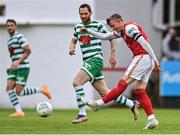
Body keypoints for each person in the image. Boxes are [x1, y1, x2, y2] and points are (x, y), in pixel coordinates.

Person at [81, 13, 161, 129]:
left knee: (122, 83)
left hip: (142, 57)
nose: (113, 28)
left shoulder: (129, 28)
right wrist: (89, 31)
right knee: (139, 91)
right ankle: (151, 119)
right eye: (111, 26)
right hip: (146, 60)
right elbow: (105, 36)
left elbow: (144, 43)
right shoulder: (121, 31)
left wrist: (155, 59)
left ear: (119, 21)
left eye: (113, 25)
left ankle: (98, 104)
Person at [69, 4, 139, 124]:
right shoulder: (77, 27)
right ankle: (132, 104)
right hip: (88, 62)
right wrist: (72, 48)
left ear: (90, 13)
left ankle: (82, 113)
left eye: (85, 13)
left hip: (95, 60)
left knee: (76, 82)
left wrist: (112, 55)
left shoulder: (98, 25)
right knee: (106, 93)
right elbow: (74, 39)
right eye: (81, 14)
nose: (83, 16)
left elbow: (111, 37)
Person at [6, 19, 52, 117]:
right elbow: (15, 55)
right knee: (9, 88)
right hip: (14, 68)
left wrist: (18, 62)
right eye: (8, 25)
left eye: (11, 25)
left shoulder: (20, 37)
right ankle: (19, 111)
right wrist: (12, 65)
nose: (10, 27)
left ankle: (41, 89)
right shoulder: (9, 40)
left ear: (15, 26)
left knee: (19, 92)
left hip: (23, 67)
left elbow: (28, 51)